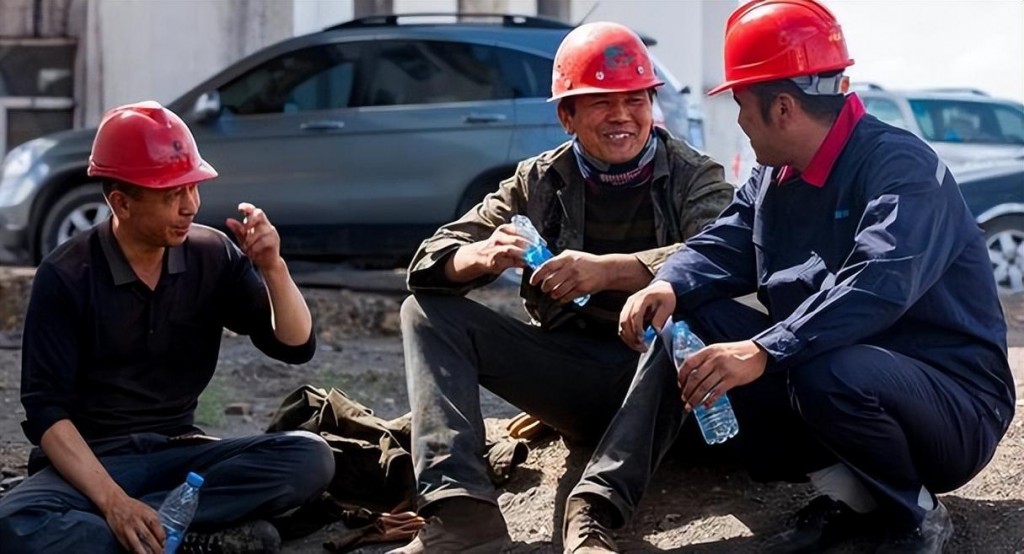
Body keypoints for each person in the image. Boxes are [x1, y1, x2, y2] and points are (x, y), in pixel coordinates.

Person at [563, 1, 1016, 553]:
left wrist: (764, 350)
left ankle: (913, 516)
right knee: (695, 316)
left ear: (781, 107)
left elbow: (876, 283)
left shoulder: (900, 168)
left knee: (826, 368)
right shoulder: (776, 175)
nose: (737, 120)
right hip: (839, 373)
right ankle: (849, 495)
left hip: (951, 406)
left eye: (739, 104)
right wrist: (668, 284)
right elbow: (725, 240)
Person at [392, 22, 735, 554]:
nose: (621, 116)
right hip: (573, 379)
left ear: (651, 105)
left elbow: (725, 255)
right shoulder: (538, 181)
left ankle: (593, 510)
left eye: (634, 99)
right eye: (600, 102)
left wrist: (609, 270)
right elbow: (427, 261)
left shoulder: (695, 175)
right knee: (424, 311)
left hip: (670, 387)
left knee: (685, 325)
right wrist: (476, 256)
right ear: (566, 116)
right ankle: (460, 514)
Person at [0, 101, 335, 554]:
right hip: (92, 466)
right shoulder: (66, 275)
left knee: (309, 456)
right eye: (171, 194)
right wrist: (115, 503)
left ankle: (151, 533)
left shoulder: (212, 254)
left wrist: (273, 268)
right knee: (14, 523)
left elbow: (294, 346)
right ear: (121, 201)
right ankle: (188, 539)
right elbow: (47, 414)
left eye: (192, 188)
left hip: (181, 453)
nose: (190, 206)